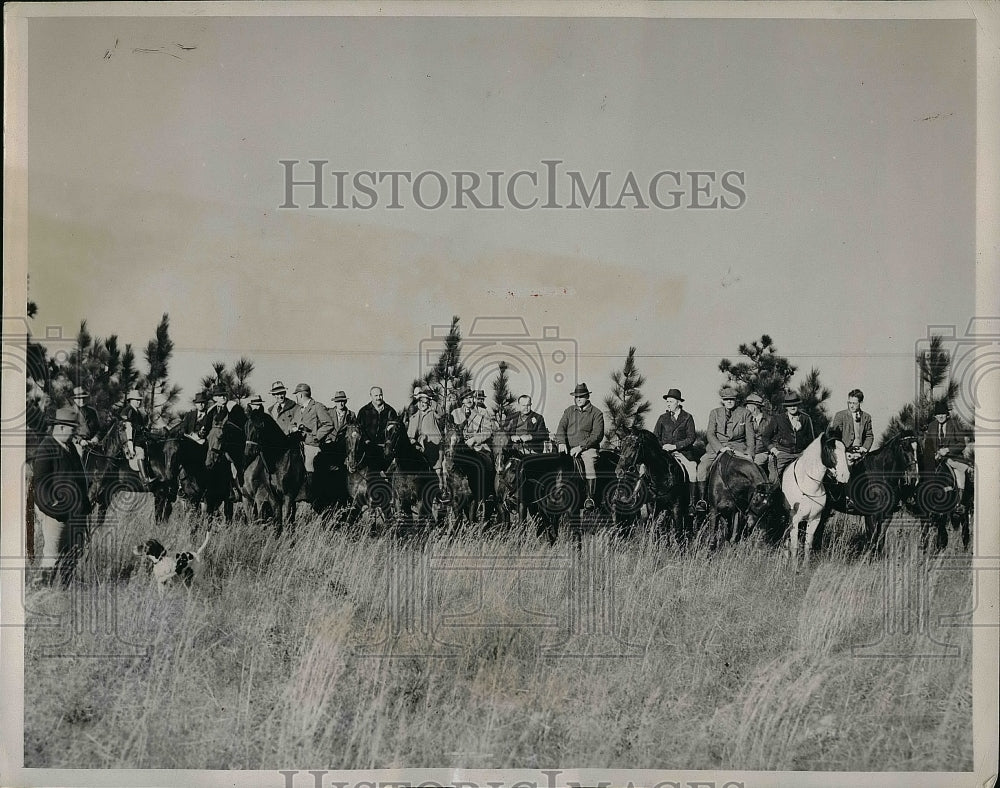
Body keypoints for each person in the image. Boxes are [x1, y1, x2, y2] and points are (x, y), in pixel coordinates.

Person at [32, 407, 91, 585]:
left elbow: (80, 479)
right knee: (52, 554)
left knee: (74, 552)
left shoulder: (70, 447)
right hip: (56, 514)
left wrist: (85, 507)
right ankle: (42, 591)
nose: (75, 434)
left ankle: (64, 590)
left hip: (76, 513)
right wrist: (55, 507)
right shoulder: (46, 448)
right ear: (62, 428)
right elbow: (40, 485)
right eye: (73, 430)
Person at [695, 385, 752, 513]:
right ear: (723, 400)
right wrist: (720, 448)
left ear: (736, 400)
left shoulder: (745, 413)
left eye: (732, 399)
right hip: (717, 448)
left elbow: (750, 436)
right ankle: (702, 500)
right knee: (702, 468)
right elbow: (710, 433)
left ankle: (750, 502)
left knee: (751, 469)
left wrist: (749, 454)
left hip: (738, 448)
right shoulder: (715, 413)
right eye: (726, 400)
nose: (729, 402)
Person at [555, 383, 605, 508]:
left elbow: (597, 435)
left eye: (581, 396)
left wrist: (581, 447)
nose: (578, 399)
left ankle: (590, 498)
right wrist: (561, 442)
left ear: (587, 396)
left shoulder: (597, 413)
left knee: (589, 464)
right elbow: (561, 427)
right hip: (568, 448)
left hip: (587, 449)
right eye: (576, 396)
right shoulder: (569, 411)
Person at [652, 388, 699, 507]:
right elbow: (655, 436)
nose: (668, 404)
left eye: (671, 401)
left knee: (693, 471)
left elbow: (691, 437)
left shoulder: (688, 417)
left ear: (678, 402)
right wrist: (663, 446)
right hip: (664, 453)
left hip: (682, 453)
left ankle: (692, 504)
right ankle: (648, 500)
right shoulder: (662, 418)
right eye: (667, 401)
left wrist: (675, 446)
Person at [924, 400, 972, 513]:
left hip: (953, 459)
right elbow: (928, 445)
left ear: (947, 414)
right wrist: (933, 454)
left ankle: (959, 504)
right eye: (938, 414)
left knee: (959, 476)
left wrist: (948, 450)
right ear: (935, 416)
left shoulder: (955, 424)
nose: (941, 416)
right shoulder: (931, 426)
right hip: (936, 460)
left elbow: (962, 444)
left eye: (943, 414)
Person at [762, 391, 815, 484]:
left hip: (800, 455)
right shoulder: (778, 419)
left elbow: (811, 440)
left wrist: (805, 452)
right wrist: (774, 450)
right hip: (783, 454)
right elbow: (765, 437)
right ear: (786, 407)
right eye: (790, 405)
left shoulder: (805, 418)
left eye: (795, 405)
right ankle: (772, 497)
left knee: (813, 477)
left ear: (798, 405)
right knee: (774, 480)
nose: (793, 407)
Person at [289, 383, 334, 485]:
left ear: (300, 395)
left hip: (312, 446)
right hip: (298, 445)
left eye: (296, 394)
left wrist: (316, 437)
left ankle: (310, 495)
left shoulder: (317, 406)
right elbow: (292, 423)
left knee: (309, 469)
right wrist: (293, 428)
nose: (296, 397)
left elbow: (329, 424)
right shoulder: (298, 409)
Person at [408, 388, 447, 490]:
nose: (423, 404)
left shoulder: (433, 413)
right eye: (421, 401)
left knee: (437, 468)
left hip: (435, 444)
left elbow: (441, 413)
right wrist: (413, 441)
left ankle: (441, 490)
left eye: (426, 402)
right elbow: (410, 434)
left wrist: (431, 400)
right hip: (420, 445)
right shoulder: (414, 417)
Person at [356, 386, 399, 471]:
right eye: (376, 396)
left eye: (380, 395)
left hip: (385, 448)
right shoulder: (364, 411)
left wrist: (389, 443)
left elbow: (395, 430)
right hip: (368, 447)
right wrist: (366, 440)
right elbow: (359, 428)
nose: (378, 398)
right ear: (371, 396)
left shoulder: (390, 411)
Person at [829, 389, 874, 465]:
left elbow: (869, 436)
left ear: (860, 403)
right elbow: (836, 437)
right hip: (844, 454)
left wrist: (864, 448)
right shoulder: (840, 415)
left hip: (861, 455)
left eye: (854, 403)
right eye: (849, 403)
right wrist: (843, 452)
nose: (851, 406)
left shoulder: (867, 417)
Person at [119, 389, 153, 483]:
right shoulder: (127, 411)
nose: (139, 402)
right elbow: (128, 428)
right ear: (131, 400)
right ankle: (144, 478)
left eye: (139, 400)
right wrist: (130, 444)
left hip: (139, 438)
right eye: (136, 400)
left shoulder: (137, 412)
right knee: (140, 453)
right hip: (131, 440)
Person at [66, 386, 102, 458]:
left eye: (83, 397)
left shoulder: (92, 411)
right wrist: (79, 441)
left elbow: (99, 429)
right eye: (79, 398)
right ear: (74, 399)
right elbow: (67, 432)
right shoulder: (69, 412)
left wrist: (96, 438)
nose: (81, 400)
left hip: (93, 444)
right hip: (77, 445)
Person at [744, 392, 772, 481]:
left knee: (754, 466)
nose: (745, 408)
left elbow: (775, 437)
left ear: (754, 407)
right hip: (747, 452)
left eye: (747, 406)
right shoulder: (746, 420)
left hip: (762, 452)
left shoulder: (770, 420)